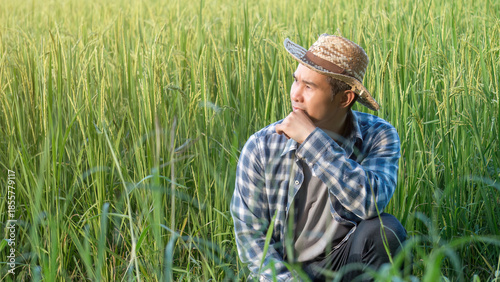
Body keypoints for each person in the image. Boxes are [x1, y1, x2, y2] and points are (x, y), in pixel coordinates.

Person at [230, 33, 407, 281]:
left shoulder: (379, 136)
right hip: (285, 273)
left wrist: (313, 141)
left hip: (343, 260)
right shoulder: (262, 146)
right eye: (296, 81)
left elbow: (371, 204)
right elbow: (251, 239)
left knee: (386, 232)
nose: (296, 95)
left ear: (345, 98)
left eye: (309, 87)